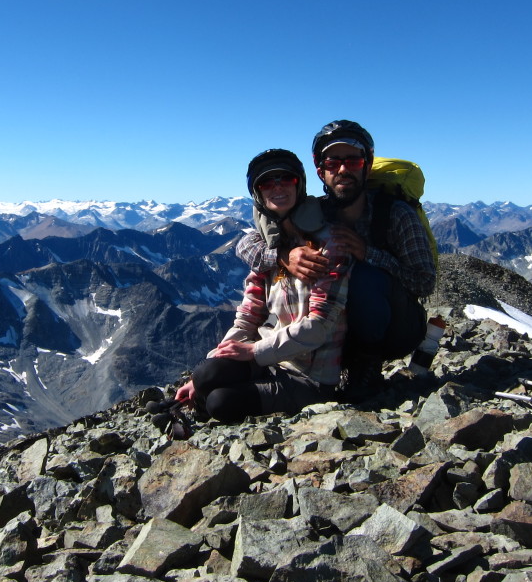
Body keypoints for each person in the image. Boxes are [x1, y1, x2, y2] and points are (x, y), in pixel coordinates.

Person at [236, 120, 436, 393]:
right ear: (320, 171)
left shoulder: (397, 215)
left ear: (367, 164)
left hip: (396, 329)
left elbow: (425, 283)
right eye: (332, 163)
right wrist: (285, 255)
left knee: (364, 277)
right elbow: (247, 243)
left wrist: (370, 255)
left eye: (353, 161)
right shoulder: (313, 214)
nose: (343, 170)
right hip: (330, 333)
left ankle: (365, 369)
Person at [174, 149, 350, 421]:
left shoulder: (330, 243)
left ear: (299, 184)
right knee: (205, 375)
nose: (277, 187)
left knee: (220, 402)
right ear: (258, 193)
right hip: (269, 360)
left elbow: (319, 327)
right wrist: (207, 369)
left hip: (310, 377)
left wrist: (255, 351)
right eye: (267, 183)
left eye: (286, 179)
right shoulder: (268, 250)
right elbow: (247, 319)